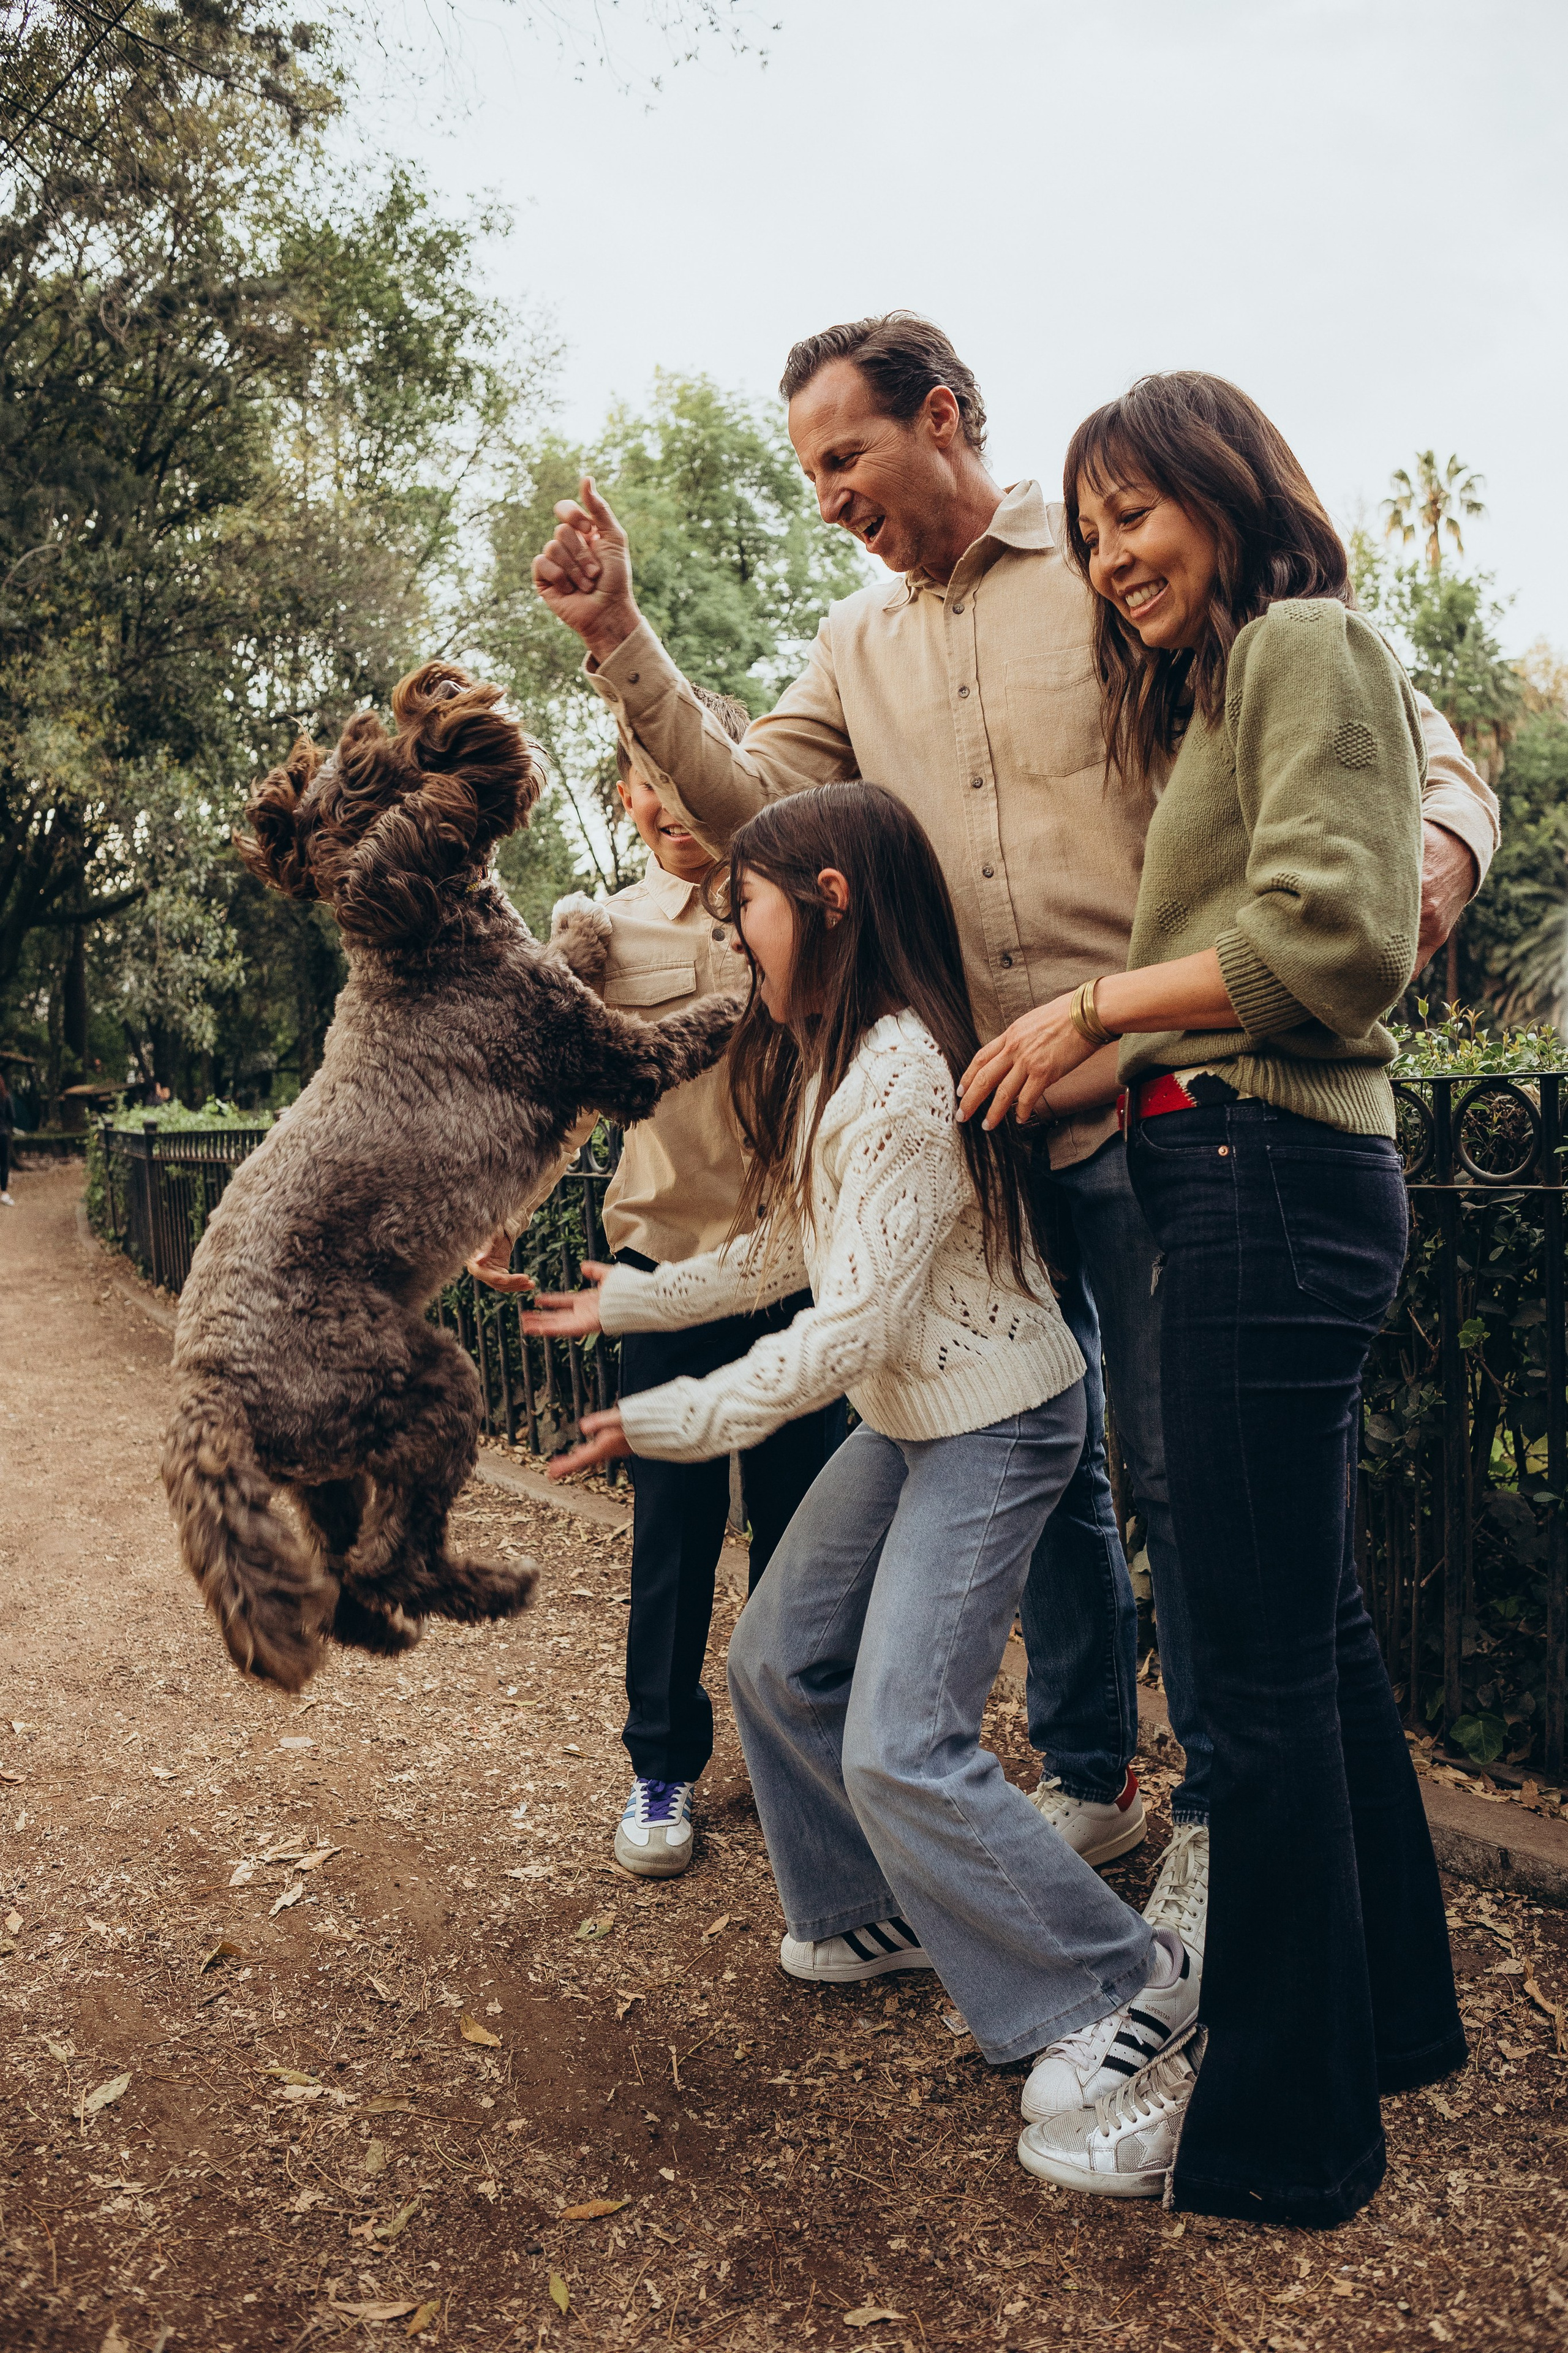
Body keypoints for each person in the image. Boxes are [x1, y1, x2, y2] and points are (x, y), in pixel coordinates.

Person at [529, 312, 1499, 1962]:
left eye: (846, 455)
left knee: (1191, 1488)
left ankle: (1222, 1832)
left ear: (946, 416)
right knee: (1035, 1456)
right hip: (995, 1123)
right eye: (809, 473)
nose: (830, 497)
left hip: (1184, 1104)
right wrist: (621, 639)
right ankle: (1100, 1767)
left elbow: (1414, 738)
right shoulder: (854, 648)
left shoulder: (1126, 564)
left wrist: (1429, 877)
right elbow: (750, 810)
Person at [959, 372, 1465, 2222]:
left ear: (1224, 487)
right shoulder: (1240, 684)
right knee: (1311, 1650)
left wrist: (1088, 1011)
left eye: (1131, 513)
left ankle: (1278, 2133)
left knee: (1245, 1690)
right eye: (1085, 532)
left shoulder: (1308, 641)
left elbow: (1334, 943)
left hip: (1265, 1185)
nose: (1106, 556)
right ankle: (1391, 2020)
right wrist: (1084, 1068)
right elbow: (1253, 975)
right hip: (1238, 1167)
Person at [521, 782, 1203, 2102]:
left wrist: (666, 1416)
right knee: (775, 1662)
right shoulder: (832, 1054)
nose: (735, 935)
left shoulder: (895, 1074)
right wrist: (630, 1296)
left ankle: (1116, 1978)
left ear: (827, 903)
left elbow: (842, 1331)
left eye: (748, 910)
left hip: (995, 1419)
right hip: (910, 1413)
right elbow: (786, 1247)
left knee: (903, 1740)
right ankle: (853, 1907)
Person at [473, 690, 844, 1879]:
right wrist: (500, 1215)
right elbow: (557, 1100)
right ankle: (660, 1765)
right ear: (623, 788)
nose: (666, 801)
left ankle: (806, 1768)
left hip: (793, 1271)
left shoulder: (792, 915)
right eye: (643, 776)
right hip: (660, 1271)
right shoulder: (602, 931)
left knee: (797, 1537)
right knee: (674, 1538)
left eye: (688, 775)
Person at [0, 1067, 13, 1205]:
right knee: (4, 1164)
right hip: (2, 1133)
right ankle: (4, 1192)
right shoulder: (6, 1097)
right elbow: (12, 1116)